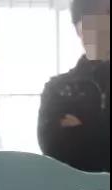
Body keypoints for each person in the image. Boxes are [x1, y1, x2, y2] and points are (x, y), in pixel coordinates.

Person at [37, 0, 110, 172]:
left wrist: (83, 130)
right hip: (75, 188)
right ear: (79, 29)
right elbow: (53, 150)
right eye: (98, 17)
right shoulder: (57, 89)